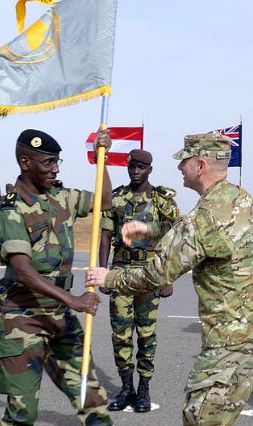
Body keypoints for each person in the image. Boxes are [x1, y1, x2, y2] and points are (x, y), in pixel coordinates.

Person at [85, 133, 253, 426]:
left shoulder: (205, 217)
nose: (179, 168)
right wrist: (149, 230)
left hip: (234, 338)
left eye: (183, 161)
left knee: (201, 417)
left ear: (199, 165)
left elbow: (157, 273)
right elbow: (203, 234)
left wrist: (110, 278)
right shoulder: (239, 197)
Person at [0, 128, 113, 426]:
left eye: (57, 161)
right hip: (23, 320)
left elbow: (105, 202)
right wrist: (74, 300)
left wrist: (102, 159)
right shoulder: (11, 208)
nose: (55, 168)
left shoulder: (62, 197)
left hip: (60, 317)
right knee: (23, 414)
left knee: (92, 400)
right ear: (25, 162)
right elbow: (22, 269)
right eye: (48, 162)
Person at [99, 149, 179, 412]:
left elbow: (172, 241)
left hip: (150, 273)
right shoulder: (116, 198)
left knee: (146, 334)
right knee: (120, 334)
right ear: (128, 168)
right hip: (121, 271)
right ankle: (126, 388)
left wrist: (168, 278)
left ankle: (144, 388)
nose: (136, 172)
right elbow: (105, 235)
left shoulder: (162, 201)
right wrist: (103, 273)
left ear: (150, 170)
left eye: (141, 168)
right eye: (132, 167)